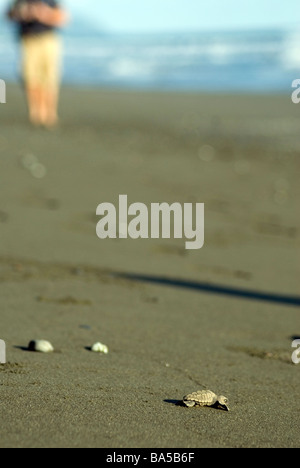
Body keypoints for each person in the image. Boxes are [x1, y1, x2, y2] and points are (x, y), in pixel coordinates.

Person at [7, 0, 68, 127]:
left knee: (50, 77)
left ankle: (50, 113)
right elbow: (9, 15)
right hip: (28, 39)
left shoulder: (50, 1)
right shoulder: (20, 2)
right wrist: (21, 14)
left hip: (48, 39)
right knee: (30, 77)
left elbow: (62, 18)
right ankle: (35, 113)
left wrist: (44, 14)